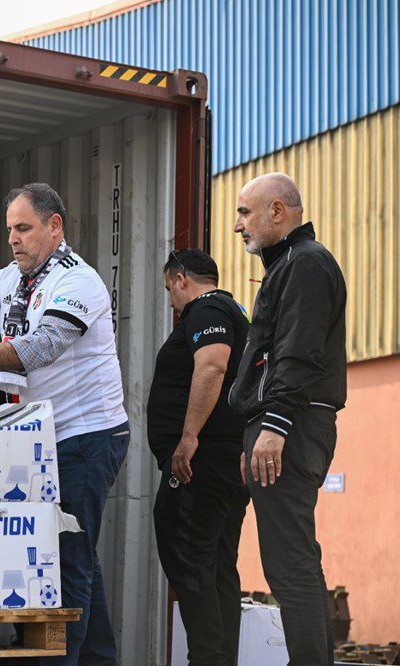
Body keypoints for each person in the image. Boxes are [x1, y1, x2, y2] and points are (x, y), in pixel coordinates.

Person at [0, 182, 129, 665]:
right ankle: (99, 659)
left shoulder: (79, 281)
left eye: (24, 228)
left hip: (88, 437)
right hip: (44, 435)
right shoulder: (13, 277)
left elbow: (40, 347)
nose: (13, 239)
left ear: (54, 227)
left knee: (67, 557)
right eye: (10, 229)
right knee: (77, 552)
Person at [229, 173, 347, 665]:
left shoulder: (305, 263)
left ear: (277, 211)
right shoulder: (291, 265)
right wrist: (255, 430)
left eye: (244, 213)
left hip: (293, 425)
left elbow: (298, 353)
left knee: (290, 564)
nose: (238, 225)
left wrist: (274, 426)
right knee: (293, 560)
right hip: (287, 423)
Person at [147, 248, 251, 665]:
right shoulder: (233, 311)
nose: (171, 301)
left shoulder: (207, 310)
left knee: (187, 555)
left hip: (203, 463)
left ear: (181, 279)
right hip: (225, 461)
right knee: (217, 564)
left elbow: (212, 367)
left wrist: (188, 436)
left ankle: (207, 658)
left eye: (169, 289)